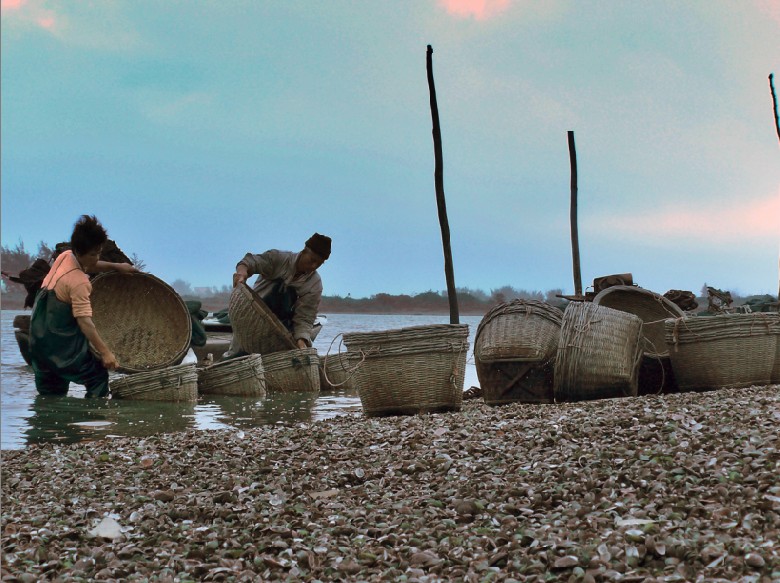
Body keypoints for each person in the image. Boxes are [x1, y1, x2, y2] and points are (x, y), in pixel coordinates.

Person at [29, 215, 138, 398]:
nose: (96, 258)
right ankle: (92, 419)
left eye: (98, 253)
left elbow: (91, 266)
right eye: (92, 254)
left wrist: (117, 266)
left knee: (50, 397)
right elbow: (85, 323)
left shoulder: (64, 257)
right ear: (79, 252)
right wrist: (106, 353)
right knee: (97, 376)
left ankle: (49, 425)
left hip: (38, 342)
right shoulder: (79, 283)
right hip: (60, 345)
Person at [226, 233, 331, 356]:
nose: (313, 266)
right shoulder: (278, 259)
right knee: (235, 356)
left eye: (319, 264)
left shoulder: (314, 284)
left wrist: (302, 341)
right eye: (312, 260)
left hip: (279, 331)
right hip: (252, 317)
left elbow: (305, 317)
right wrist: (242, 273)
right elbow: (249, 262)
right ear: (304, 251)